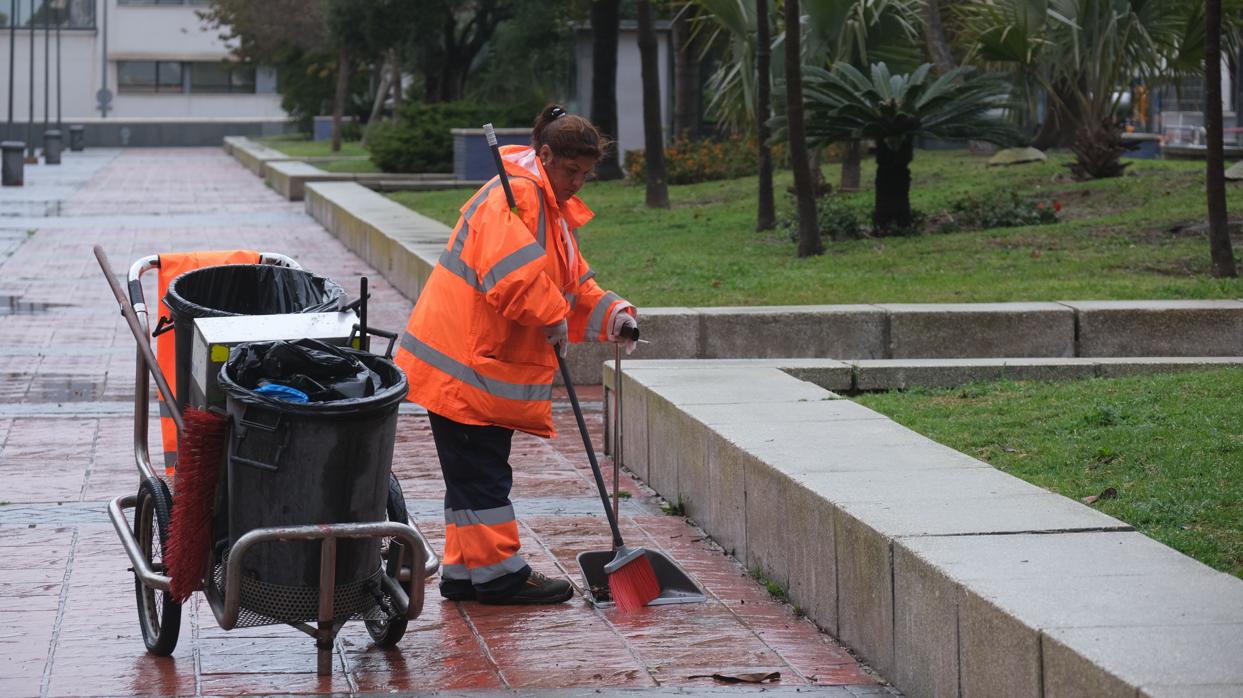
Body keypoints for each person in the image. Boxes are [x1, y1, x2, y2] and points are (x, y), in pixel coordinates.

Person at [393, 104, 638, 605]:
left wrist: (612, 314)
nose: (578, 183)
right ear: (544, 155)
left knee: (472, 476)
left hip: (475, 366)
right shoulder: (518, 196)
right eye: (571, 171)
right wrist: (551, 314)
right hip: (466, 368)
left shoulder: (543, 204)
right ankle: (501, 576)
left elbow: (568, 285)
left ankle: (466, 574)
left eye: (587, 175)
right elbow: (514, 280)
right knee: (482, 475)